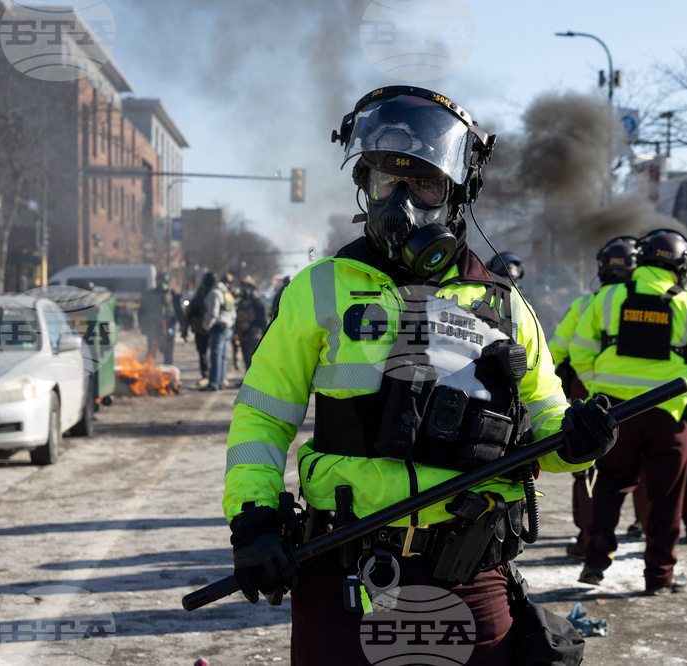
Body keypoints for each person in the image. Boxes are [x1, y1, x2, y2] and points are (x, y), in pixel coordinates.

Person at [222, 86, 619, 665]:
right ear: (365, 184)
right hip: (344, 573)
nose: (402, 201)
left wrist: (581, 441)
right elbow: (262, 415)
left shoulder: (505, 306)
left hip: (471, 575)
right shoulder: (319, 288)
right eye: (388, 180)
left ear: (459, 191)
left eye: (425, 183)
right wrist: (254, 518)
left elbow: (549, 428)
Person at [569, 228, 687, 595]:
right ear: (681, 266)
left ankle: (594, 563)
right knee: (666, 498)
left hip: (615, 413)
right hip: (667, 416)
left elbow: (580, 351)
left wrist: (599, 390)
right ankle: (659, 576)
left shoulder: (608, 298)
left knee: (608, 485)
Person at [547, 236, 639, 560]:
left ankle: (587, 536)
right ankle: (642, 526)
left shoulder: (586, 304)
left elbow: (557, 350)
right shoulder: (650, 302)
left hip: (586, 392)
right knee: (641, 463)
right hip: (634, 396)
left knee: (586, 465)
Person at [201, 272, 237, 391]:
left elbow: (213, 313)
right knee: (222, 357)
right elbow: (233, 312)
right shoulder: (226, 292)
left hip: (219, 329)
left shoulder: (214, 293)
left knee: (215, 357)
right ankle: (220, 382)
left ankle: (214, 384)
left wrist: (206, 326)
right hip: (228, 328)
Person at [186, 273, 214, 387]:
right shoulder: (207, 294)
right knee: (206, 354)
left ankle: (209, 376)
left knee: (209, 354)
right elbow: (190, 312)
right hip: (202, 329)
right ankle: (207, 375)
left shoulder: (211, 294)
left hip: (207, 329)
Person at [234, 276, 267, 372]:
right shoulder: (239, 301)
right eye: (243, 286)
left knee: (254, 359)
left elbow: (263, 320)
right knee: (246, 359)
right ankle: (248, 377)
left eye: (247, 286)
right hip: (242, 334)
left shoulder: (258, 301)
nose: (244, 289)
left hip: (254, 334)